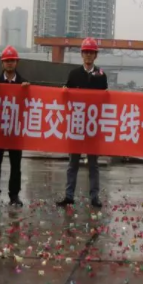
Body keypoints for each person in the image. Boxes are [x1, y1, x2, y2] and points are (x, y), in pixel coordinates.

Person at [57, 37, 108, 209]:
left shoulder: (101, 75)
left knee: (93, 164)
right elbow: (66, 96)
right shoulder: (74, 74)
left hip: (93, 126)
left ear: (95, 55)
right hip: (77, 125)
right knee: (73, 163)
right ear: (82, 54)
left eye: (91, 52)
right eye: (86, 52)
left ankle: (94, 196)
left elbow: (105, 100)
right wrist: (64, 90)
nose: (88, 55)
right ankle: (69, 195)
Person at [0, 45, 30, 207]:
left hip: (15, 130)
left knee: (16, 165)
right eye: (7, 61)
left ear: (16, 62)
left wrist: (27, 91)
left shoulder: (24, 83)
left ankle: (14, 195)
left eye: (12, 60)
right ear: (2, 63)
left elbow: (30, 104)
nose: (9, 63)